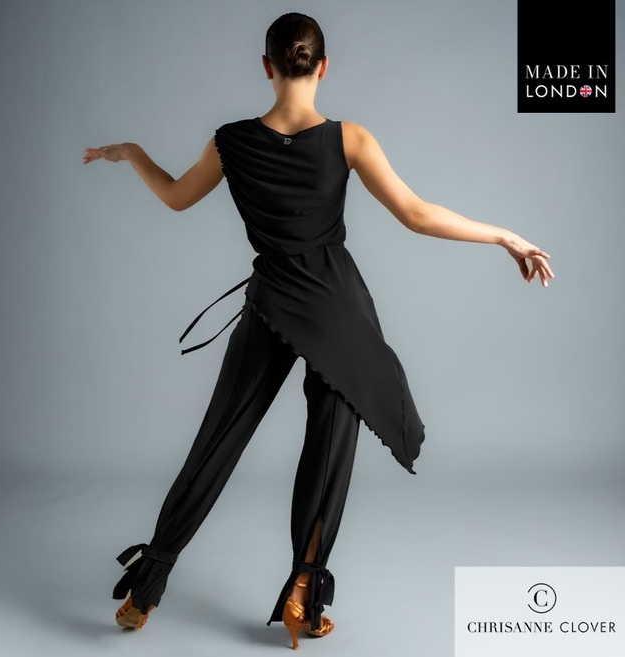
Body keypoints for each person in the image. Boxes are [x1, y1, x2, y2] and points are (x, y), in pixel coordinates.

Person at [83, 11, 554, 650]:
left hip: (272, 304)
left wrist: (134, 153)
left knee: (216, 440)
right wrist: (505, 236)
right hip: (337, 312)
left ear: (267, 67)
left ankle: (145, 589)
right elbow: (417, 215)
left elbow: (175, 196)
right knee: (329, 451)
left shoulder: (229, 142)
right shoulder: (348, 139)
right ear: (323, 67)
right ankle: (303, 595)